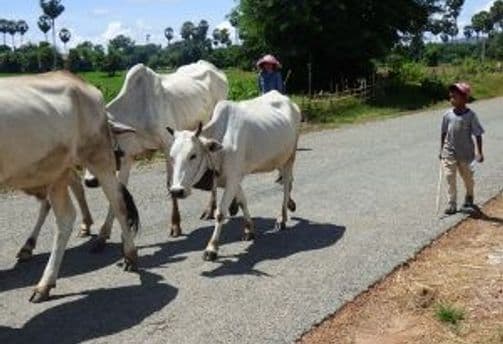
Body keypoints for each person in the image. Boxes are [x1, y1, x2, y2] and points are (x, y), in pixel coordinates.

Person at [439, 82, 485, 215]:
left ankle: (469, 198)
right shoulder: (447, 115)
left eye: (455, 96)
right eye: (451, 96)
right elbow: (443, 133)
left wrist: (480, 152)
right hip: (449, 152)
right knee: (449, 177)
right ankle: (451, 203)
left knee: (468, 179)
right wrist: (441, 150)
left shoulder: (471, 116)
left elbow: (478, 134)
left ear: (465, 98)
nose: (451, 98)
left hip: (466, 154)